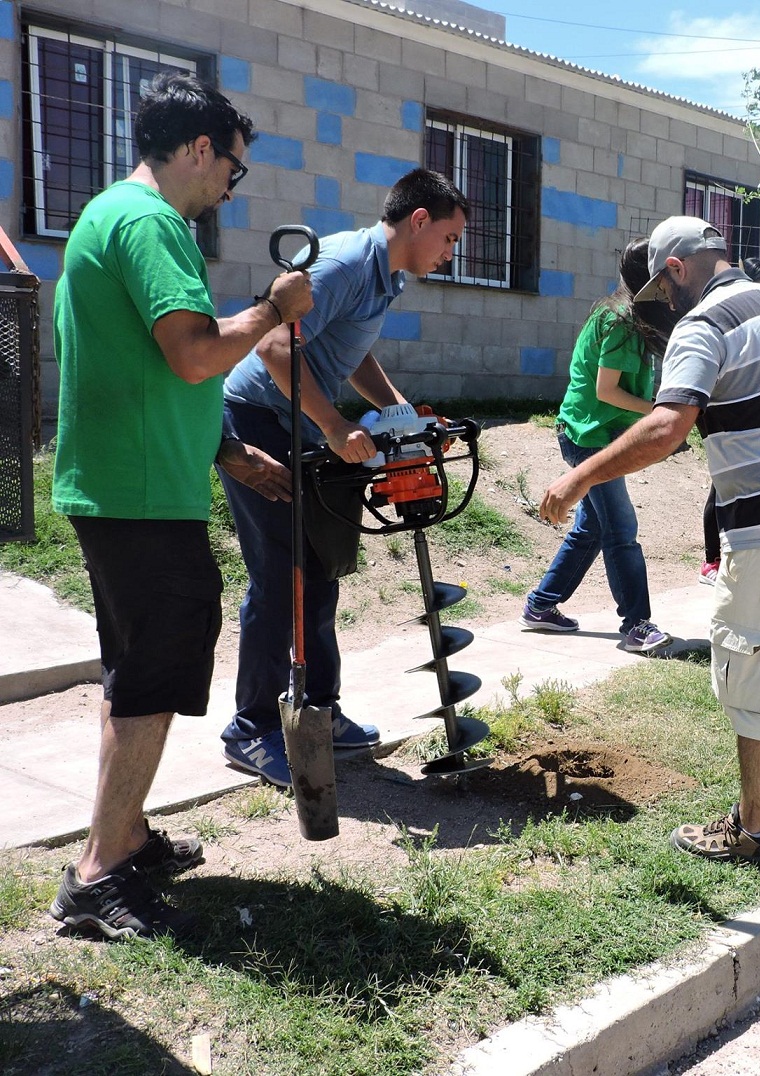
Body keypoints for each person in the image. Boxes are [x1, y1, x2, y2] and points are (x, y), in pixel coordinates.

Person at [47, 73, 314, 939]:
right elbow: (197, 355)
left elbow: (151, 369)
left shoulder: (110, 217)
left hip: (133, 481)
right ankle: (97, 876)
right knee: (152, 673)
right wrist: (274, 306)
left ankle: (123, 834)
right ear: (200, 149)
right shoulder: (152, 221)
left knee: (138, 672)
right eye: (231, 171)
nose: (228, 189)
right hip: (136, 494)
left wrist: (224, 450)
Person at [538, 216, 760, 871]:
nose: (665, 302)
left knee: (754, 679)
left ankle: (753, 830)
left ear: (677, 269)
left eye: (664, 287)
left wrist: (577, 477)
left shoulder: (703, 325)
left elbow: (666, 428)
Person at [218, 168, 469, 787]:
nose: (451, 251)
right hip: (260, 419)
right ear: (418, 221)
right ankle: (251, 729)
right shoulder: (344, 265)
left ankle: (320, 711)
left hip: (299, 418)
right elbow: (275, 348)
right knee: (280, 579)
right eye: (450, 237)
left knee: (322, 569)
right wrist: (335, 428)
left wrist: (399, 413)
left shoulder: (385, 277)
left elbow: (347, 353)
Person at [520, 239, 676, 654]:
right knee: (621, 530)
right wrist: (658, 411)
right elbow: (607, 391)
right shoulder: (622, 320)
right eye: (667, 274)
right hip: (588, 437)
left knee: (592, 528)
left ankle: (540, 605)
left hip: (594, 433)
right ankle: (636, 625)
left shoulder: (631, 316)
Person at [699, 257, 760, 581]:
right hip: (725, 415)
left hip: (757, 418)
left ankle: (740, 554)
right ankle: (711, 561)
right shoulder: (723, 320)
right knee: (721, 486)